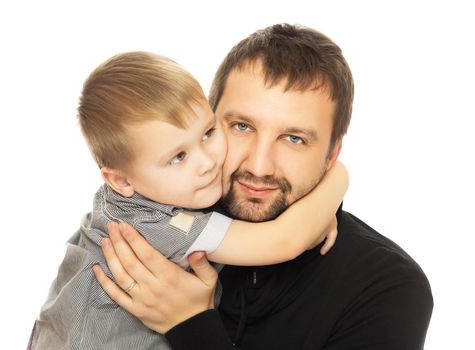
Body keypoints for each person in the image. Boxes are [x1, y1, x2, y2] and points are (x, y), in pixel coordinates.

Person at [94, 24, 434, 349]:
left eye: (294, 138)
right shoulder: (159, 209)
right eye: (241, 127)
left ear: (332, 155)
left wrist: (190, 324)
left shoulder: (388, 287)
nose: (259, 166)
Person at [29, 51, 348, 349]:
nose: (206, 162)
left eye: (208, 133)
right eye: (178, 156)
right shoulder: (162, 225)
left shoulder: (121, 199)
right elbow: (285, 241)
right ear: (121, 180)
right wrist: (337, 179)